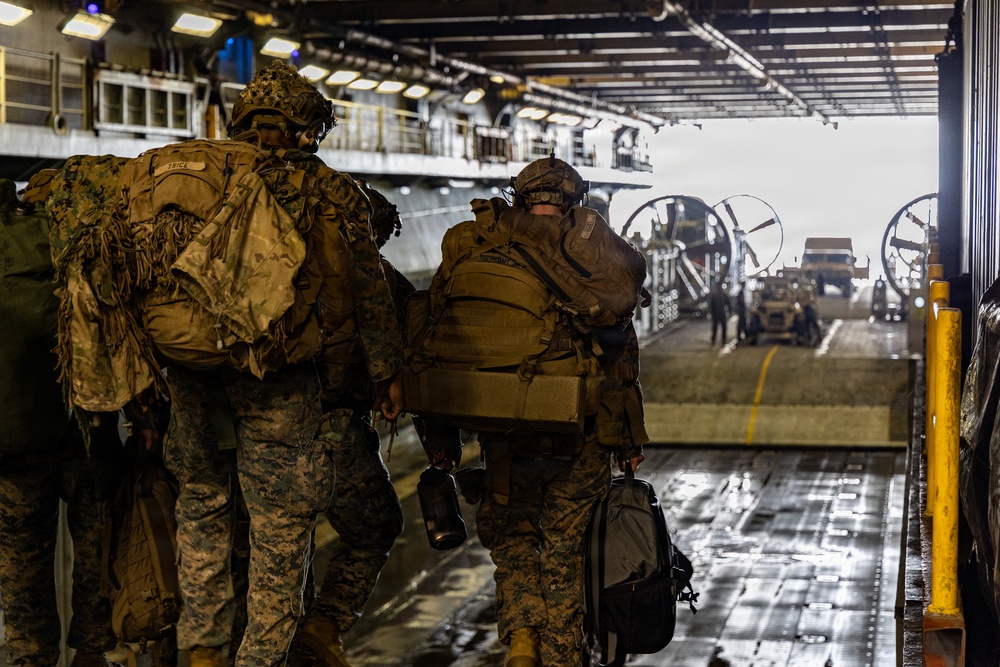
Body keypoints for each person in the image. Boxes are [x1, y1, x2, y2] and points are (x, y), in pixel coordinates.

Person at [166, 60, 404, 667]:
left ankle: (200, 654)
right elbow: (368, 291)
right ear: (305, 126)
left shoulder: (195, 179)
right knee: (278, 544)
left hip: (194, 386)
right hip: (281, 391)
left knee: (202, 521)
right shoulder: (327, 189)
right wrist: (385, 373)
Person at [417, 158, 648, 667]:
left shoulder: (478, 242)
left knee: (514, 539)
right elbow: (620, 353)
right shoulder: (590, 251)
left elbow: (437, 336)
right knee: (565, 552)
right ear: (575, 199)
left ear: (518, 196)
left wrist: (440, 437)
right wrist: (629, 444)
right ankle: (564, 655)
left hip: (502, 431)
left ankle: (521, 640)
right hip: (578, 435)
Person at [0, 179, 125, 667]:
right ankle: (92, 652)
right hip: (84, 434)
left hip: (12, 445)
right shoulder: (62, 232)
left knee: (21, 577)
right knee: (97, 557)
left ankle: (32, 659)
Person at [286, 181, 409, 667]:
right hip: (337, 434)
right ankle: (324, 625)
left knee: (279, 543)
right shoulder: (382, 281)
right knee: (376, 526)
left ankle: (275, 636)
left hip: (261, 434)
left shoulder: (280, 270)